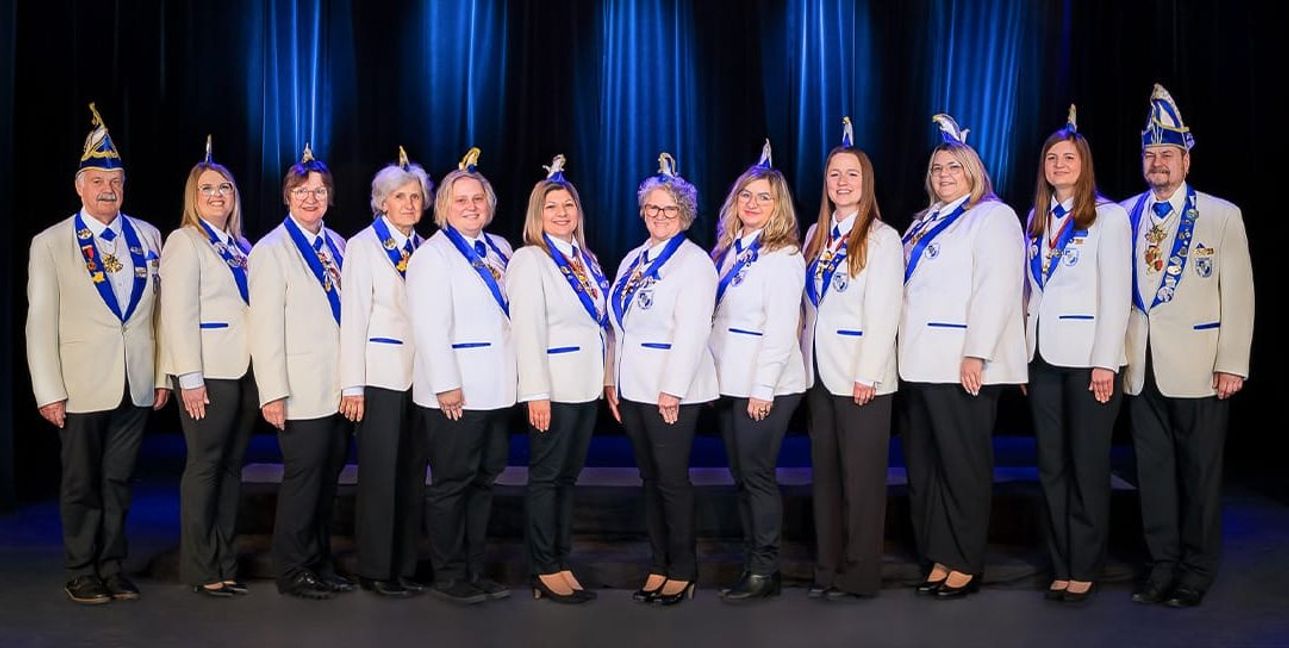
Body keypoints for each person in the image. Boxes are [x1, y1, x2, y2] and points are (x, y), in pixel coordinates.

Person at [26, 103, 168, 604]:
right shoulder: (51, 243)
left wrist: (165, 377)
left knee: (120, 480)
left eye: (117, 181)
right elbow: (39, 323)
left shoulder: (149, 236)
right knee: (82, 482)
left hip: (136, 379)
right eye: (98, 180)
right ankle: (81, 569)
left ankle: (112, 565)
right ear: (79, 186)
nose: (109, 189)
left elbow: (158, 316)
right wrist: (48, 390)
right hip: (81, 383)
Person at [1121, 84, 1254, 608]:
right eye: (1150, 155)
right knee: (1152, 475)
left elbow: (1239, 294)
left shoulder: (1221, 215)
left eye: (1167, 155)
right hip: (1141, 365)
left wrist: (1233, 362)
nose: (1157, 163)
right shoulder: (1125, 214)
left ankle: (1197, 569)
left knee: (1198, 473)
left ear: (1185, 159)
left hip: (1200, 366)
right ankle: (1161, 566)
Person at [900, 114, 1027, 599]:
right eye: (937, 169)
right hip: (917, 363)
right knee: (925, 466)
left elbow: (996, 290)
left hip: (959, 363)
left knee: (962, 465)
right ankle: (938, 553)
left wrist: (977, 353)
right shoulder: (922, 221)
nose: (944, 176)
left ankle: (965, 561)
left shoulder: (993, 216)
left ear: (974, 171)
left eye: (953, 167)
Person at [1022, 107, 1132, 603]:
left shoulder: (1109, 218)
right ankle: (1061, 562)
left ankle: (1086, 565)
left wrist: (1107, 359)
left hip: (1090, 361)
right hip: (1043, 358)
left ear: (1084, 164)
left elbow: (1116, 294)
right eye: (1052, 157)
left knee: (1087, 464)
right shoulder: (1036, 218)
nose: (1059, 164)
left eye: (1068, 157)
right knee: (1051, 464)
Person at [606, 153, 718, 606]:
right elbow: (617, 323)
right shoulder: (635, 257)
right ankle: (658, 563)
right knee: (650, 479)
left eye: (669, 209)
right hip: (633, 387)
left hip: (671, 390)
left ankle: (683, 569)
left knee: (671, 480)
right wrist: (612, 380)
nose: (659, 216)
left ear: (685, 214)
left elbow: (692, 333)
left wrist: (672, 389)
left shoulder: (694, 264)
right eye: (652, 209)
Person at [800, 118, 904, 601]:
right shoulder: (814, 237)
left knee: (861, 483)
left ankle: (860, 575)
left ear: (867, 183)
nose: (842, 182)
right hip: (820, 373)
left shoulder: (882, 238)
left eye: (851, 175)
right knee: (825, 479)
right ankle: (827, 569)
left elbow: (885, 312)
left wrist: (869, 372)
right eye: (834, 175)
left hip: (862, 376)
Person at [406, 148, 515, 605]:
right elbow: (429, 327)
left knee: (484, 479)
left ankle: (474, 569)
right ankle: (450, 574)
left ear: (489, 204)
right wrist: (446, 383)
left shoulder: (502, 249)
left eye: (478, 199)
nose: (471, 206)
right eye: (460, 200)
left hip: (497, 388)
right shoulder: (433, 256)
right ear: (444, 208)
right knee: (452, 483)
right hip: (457, 390)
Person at [248, 144, 352, 600]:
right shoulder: (271, 250)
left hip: (338, 388)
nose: (311, 198)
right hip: (299, 389)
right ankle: (292, 571)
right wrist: (271, 392)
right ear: (287, 195)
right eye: (301, 190)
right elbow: (264, 329)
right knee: (302, 482)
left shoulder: (339, 245)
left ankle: (319, 562)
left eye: (319, 190)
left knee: (328, 482)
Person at [506, 155, 608, 604]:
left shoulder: (586, 258)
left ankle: (560, 559)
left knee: (567, 478)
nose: (562, 213)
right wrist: (536, 393)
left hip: (584, 386)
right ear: (537, 215)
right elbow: (526, 331)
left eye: (568, 205)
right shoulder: (531, 260)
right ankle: (544, 568)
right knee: (546, 478)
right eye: (552, 207)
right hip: (552, 387)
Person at [159, 137, 258, 597]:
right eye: (208, 189)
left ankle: (225, 560)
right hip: (207, 372)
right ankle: (201, 566)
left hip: (241, 371)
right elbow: (176, 315)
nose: (218, 195)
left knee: (232, 469)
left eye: (225, 188)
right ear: (193, 197)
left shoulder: (241, 245)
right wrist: (189, 378)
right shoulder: (183, 242)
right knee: (205, 467)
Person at [708, 141, 806, 602]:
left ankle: (765, 570)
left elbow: (782, 331)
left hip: (766, 385)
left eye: (764, 197)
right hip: (731, 380)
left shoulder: (784, 258)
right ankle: (756, 562)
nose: (753, 204)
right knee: (743, 476)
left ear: (778, 206)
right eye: (746, 195)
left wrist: (763, 388)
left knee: (757, 474)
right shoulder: (727, 251)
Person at [338, 147, 431, 598]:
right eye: (400, 197)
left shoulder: (427, 248)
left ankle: (403, 564)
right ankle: (375, 568)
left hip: (420, 378)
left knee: (412, 475)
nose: (410, 204)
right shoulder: (362, 246)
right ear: (382, 202)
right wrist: (351, 383)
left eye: (416, 197)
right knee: (378, 475)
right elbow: (352, 317)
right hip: (379, 376)